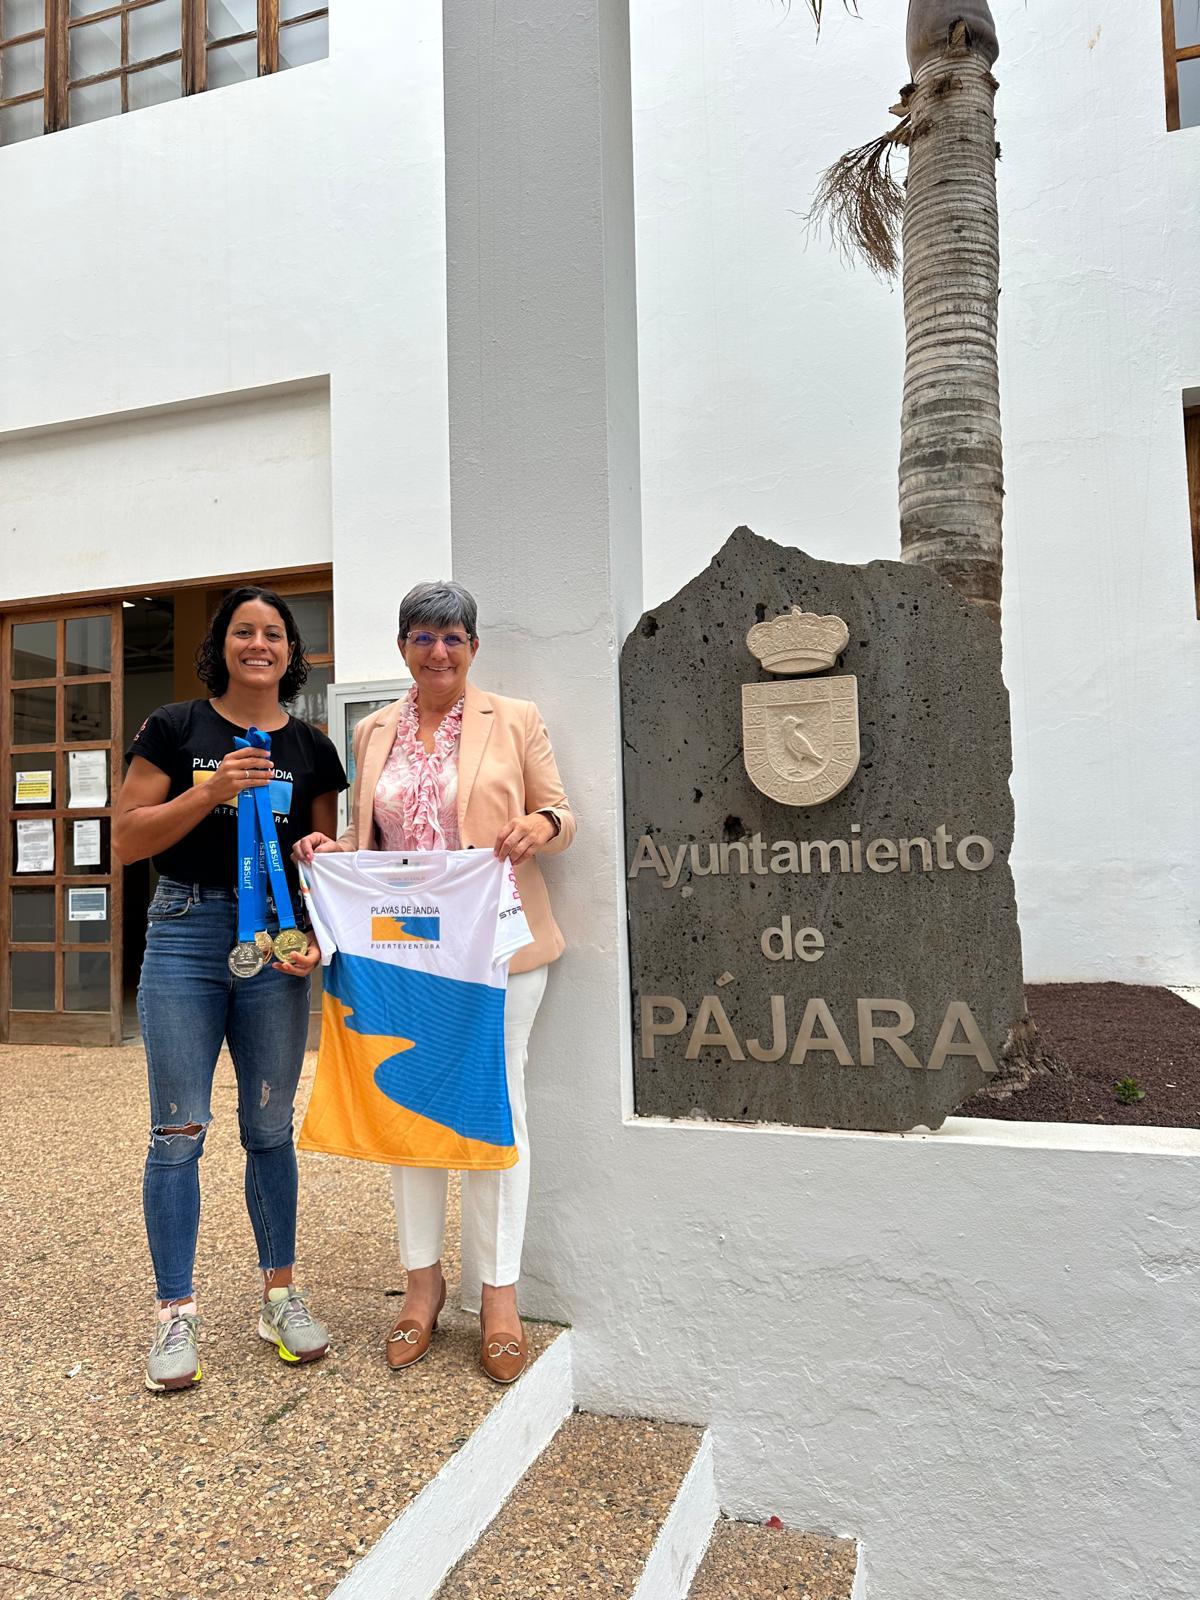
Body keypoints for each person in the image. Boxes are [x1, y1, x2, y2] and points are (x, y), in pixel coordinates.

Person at [294, 580, 574, 1383]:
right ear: (403, 648)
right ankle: (422, 1285)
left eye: (452, 637)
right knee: (407, 1103)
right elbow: (370, 844)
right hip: (402, 956)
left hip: (497, 950)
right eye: (423, 637)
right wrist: (330, 852)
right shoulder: (374, 729)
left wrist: (538, 826)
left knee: (495, 1114)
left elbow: (563, 814)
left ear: (473, 647)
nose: (439, 651)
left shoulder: (513, 719)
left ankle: (499, 1295)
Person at [114, 585, 347, 1392]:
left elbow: (326, 855)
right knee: (177, 1130)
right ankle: (174, 1314)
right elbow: (125, 836)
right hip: (183, 930)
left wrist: (317, 931)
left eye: (273, 633)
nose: (259, 644)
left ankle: (278, 1295)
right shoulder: (176, 727)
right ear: (223, 644)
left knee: (270, 1126)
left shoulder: (313, 744)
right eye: (244, 631)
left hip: (273, 945)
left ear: (290, 651)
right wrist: (208, 790)